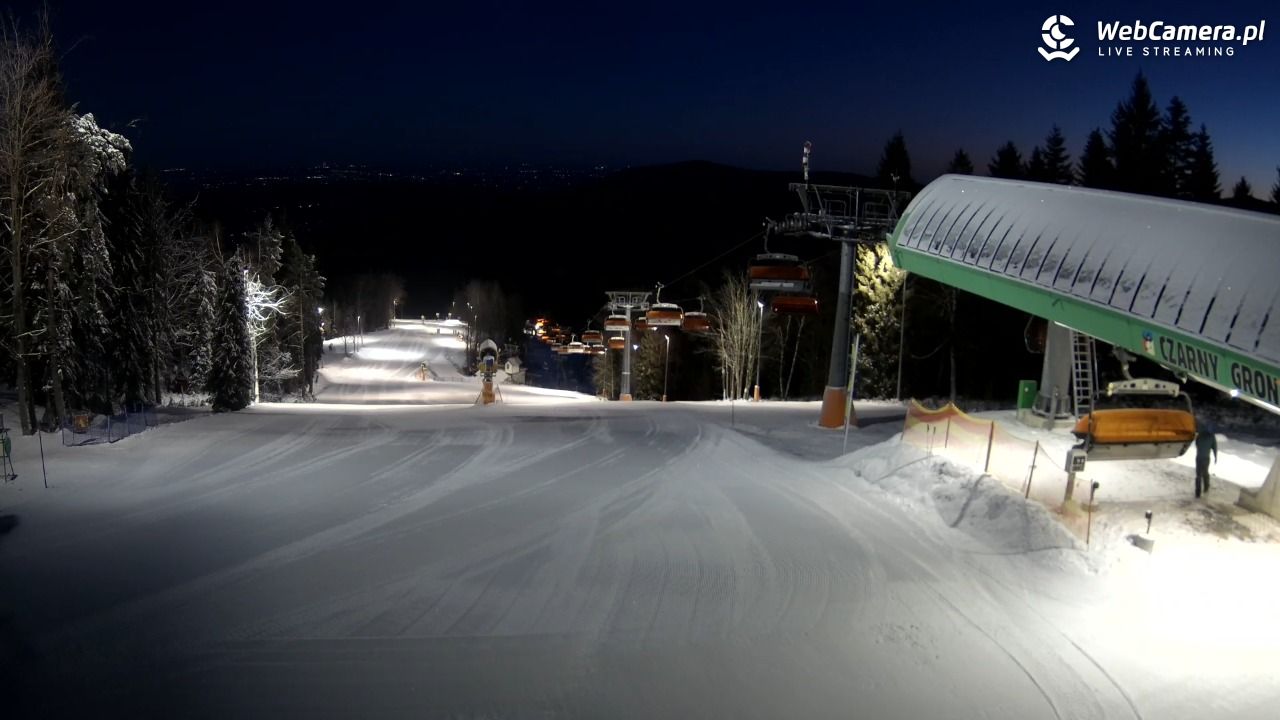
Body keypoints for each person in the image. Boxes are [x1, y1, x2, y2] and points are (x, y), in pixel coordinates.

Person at [1194, 419, 1218, 498]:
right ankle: (1206, 487)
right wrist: (1215, 457)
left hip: (1199, 457)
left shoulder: (1200, 435)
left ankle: (1198, 492)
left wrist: (1200, 449)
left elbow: (1196, 443)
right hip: (1206, 458)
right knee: (1205, 473)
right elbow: (1215, 447)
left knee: (1198, 475)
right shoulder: (1212, 437)